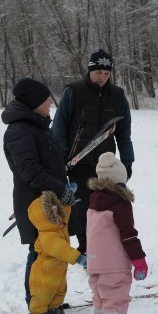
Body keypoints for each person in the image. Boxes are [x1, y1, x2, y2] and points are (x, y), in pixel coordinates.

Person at [2, 78, 78, 308]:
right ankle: (34, 300)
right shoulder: (19, 131)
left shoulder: (37, 126)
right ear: (33, 102)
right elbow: (30, 171)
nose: (50, 105)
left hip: (49, 200)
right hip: (35, 203)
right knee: (38, 251)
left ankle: (51, 299)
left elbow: (47, 161)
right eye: (46, 100)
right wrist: (61, 189)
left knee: (53, 253)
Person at [52, 49, 134, 258]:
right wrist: (61, 154)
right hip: (77, 160)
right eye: (98, 72)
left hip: (106, 163)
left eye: (106, 74)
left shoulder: (117, 95)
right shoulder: (74, 91)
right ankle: (87, 247)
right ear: (89, 70)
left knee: (108, 206)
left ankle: (105, 244)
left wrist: (127, 161)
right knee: (82, 208)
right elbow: (59, 126)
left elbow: (124, 133)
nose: (102, 78)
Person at [86, 152, 147, 314]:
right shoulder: (120, 204)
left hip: (94, 262)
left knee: (100, 297)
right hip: (114, 263)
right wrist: (139, 261)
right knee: (116, 296)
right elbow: (128, 234)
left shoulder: (93, 202)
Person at [27, 190, 87, 314]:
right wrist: (78, 258)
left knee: (59, 288)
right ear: (46, 220)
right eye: (55, 216)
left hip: (58, 267)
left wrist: (68, 197)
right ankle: (37, 312)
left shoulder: (58, 226)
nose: (60, 218)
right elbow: (61, 249)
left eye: (59, 214)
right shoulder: (48, 235)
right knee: (44, 291)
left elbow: (66, 210)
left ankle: (54, 306)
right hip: (46, 270)